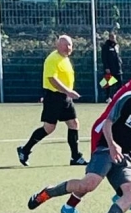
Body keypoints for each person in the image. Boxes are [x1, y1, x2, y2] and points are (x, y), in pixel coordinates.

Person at [27, 63, 131, 213]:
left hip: (125, 157)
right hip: (106, 149)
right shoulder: (128, 99)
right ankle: (48, 192)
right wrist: (112, 145)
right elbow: (108, 123)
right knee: (88, 184)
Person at [16, 34, 87, 168]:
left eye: (70, 45)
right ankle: (24, 150)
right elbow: (52, 79)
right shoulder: (52, 59)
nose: (68, 48)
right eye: (65, 45)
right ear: (57, 45)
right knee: (49, 128)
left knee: (73, 124)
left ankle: (75, 157)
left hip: (65, 98)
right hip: (54, 97)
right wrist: (68, 91)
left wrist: (67, 93)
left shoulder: (65, 58)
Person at [99, 31, 122, 100]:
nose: (114, 39)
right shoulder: (106, 46)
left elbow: (118, 55)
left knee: (119, 83)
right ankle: (107, 97)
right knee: (107, 83)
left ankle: (119, 96)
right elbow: (104, 57)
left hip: (117, 68)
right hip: (110, 68)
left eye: (114, 37)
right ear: (109, 38)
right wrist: (106, 67)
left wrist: (120, 63)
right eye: (112, 37)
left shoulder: (116, 45)